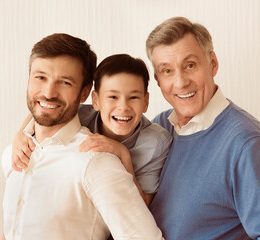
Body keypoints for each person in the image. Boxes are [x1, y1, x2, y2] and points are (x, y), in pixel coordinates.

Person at [146, 17, 260, 239]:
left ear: (213, 63)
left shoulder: (245, 141)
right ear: (158, 80)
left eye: (190, 65)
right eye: (167, 70)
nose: (180, 82)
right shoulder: (159, 127)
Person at [1, 33, 163, 240]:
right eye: (40, 77)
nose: (49, 92)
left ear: (85, 93)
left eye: (65, 82)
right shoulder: (12, 155)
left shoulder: (97, 163)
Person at [11, 54, 172, 206]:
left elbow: (143, 206)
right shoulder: (80, 115)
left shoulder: (156, 142)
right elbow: (44, 113)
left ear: (146, 102)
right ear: (96, 100)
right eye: (113, 97)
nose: (123, 107)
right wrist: (20, 133)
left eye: (133, 98)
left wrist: (123, 154)